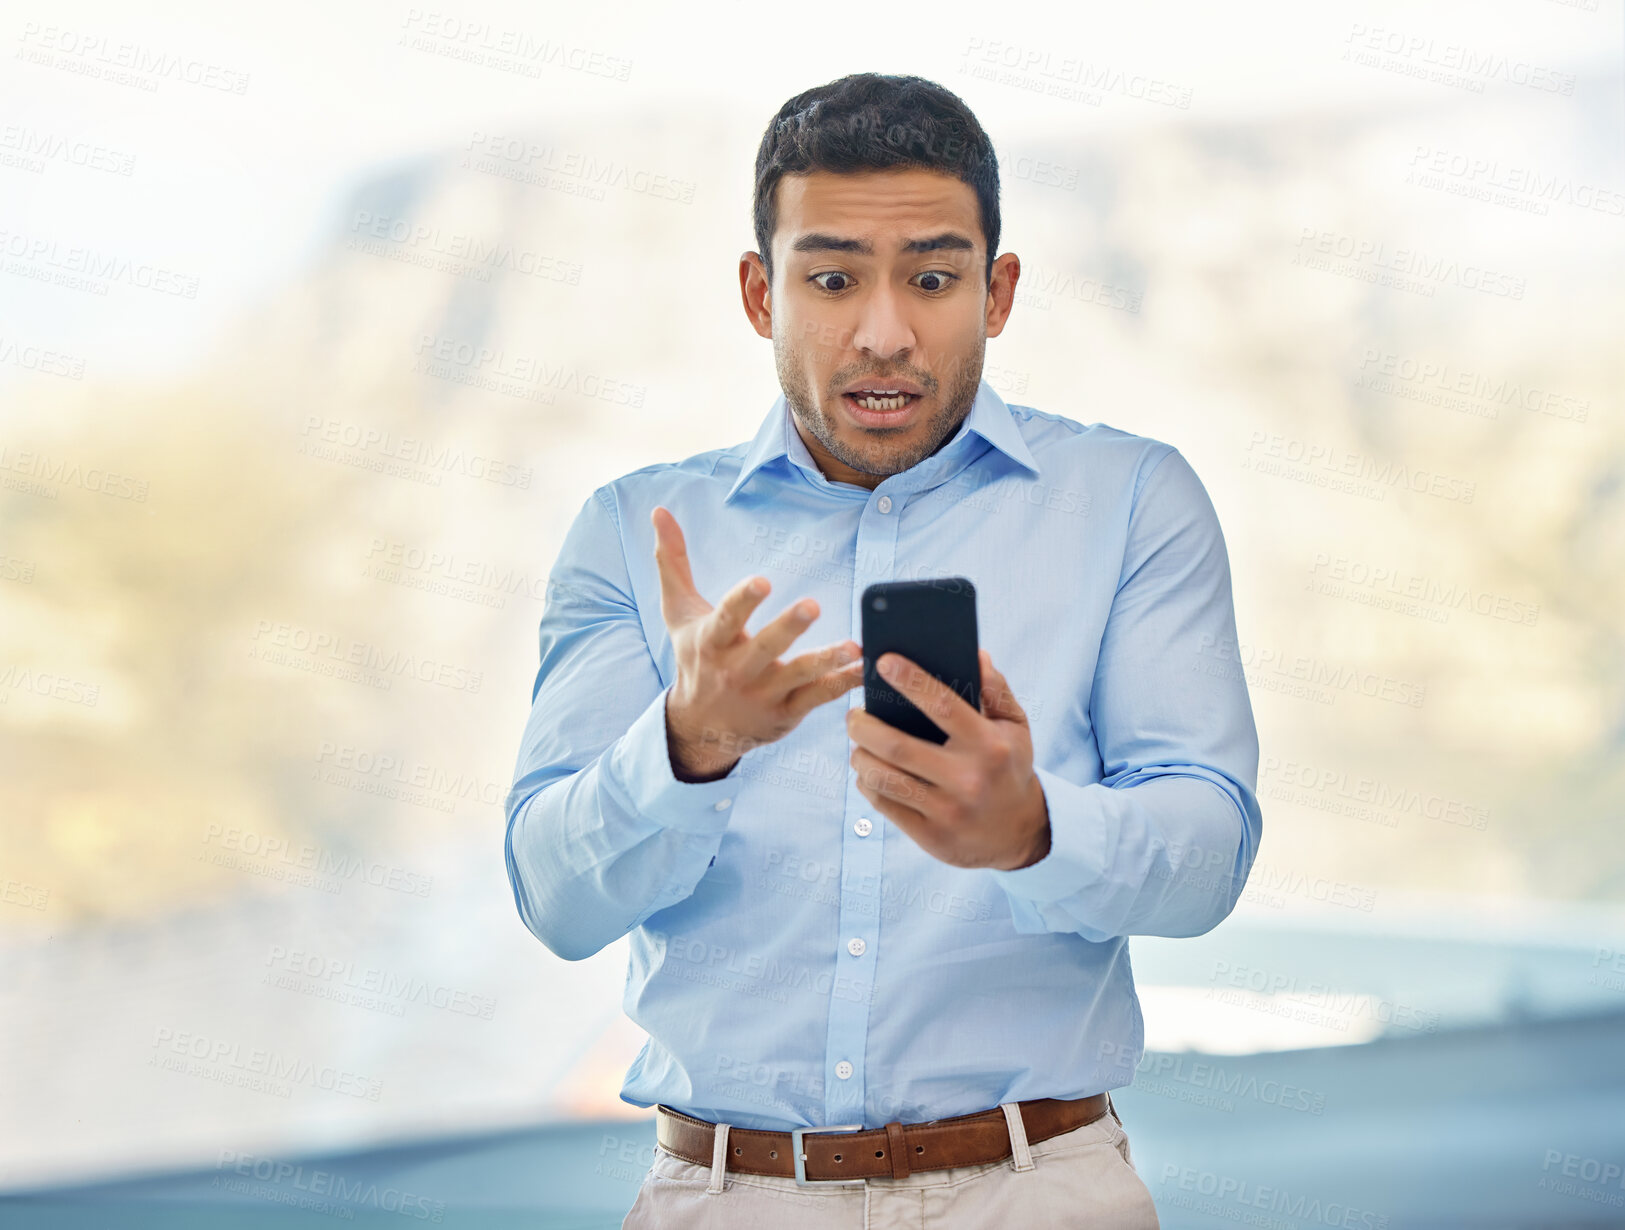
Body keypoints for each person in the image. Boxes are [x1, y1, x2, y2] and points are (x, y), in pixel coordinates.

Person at [503, 72, 1263, 1229]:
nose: (883, 333)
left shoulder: (1130, 503)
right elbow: (553, 899)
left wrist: (1037, 830)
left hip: (1039, 1192)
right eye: (830, 278)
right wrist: (684, 747)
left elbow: (1208, 855)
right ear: (759, 293)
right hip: (726, 1197)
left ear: (997, 291)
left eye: (932, 278)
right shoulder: (635, 532)